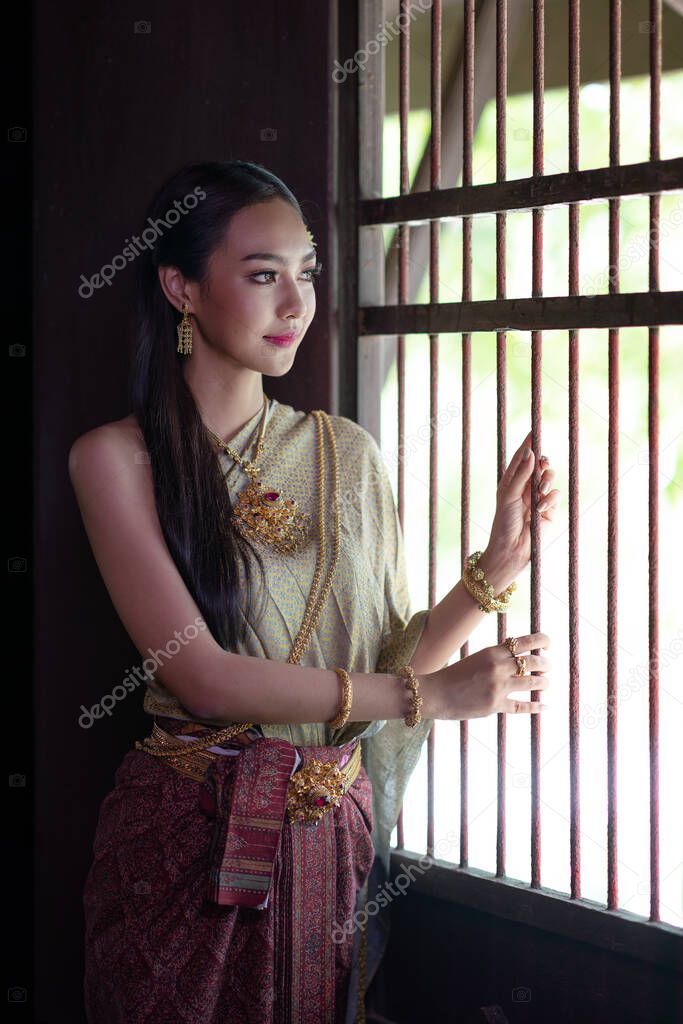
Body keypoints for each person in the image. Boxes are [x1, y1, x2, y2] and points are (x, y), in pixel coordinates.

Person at [68, 159, 560, 1024]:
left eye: (306, 275)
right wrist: (428, 696)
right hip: (182, 841)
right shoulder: (116, 459)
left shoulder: (346, 456)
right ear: (181, 287)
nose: (296, 305)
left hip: (325, 840)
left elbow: (376, 675)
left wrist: (490, 574)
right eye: (263, 276)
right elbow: (203, 676)